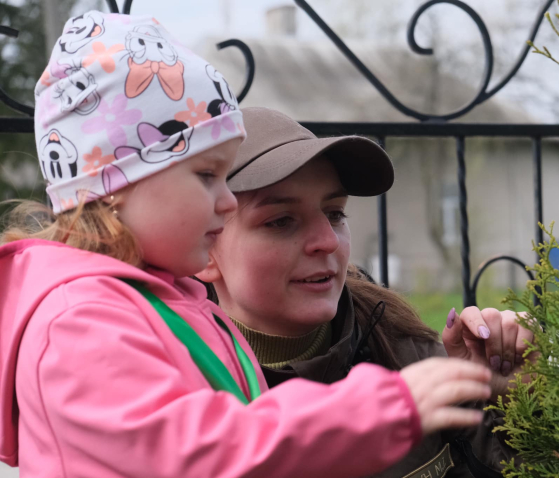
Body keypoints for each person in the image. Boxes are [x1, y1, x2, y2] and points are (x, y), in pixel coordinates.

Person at [0, 13, 497, 478]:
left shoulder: (161, 304)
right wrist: (387, 406)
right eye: (207, 175)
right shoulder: (80, 320)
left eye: (336, 213)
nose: (227, 202)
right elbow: (206, 451)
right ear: (115, 186)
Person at [197, 107, 537, 477]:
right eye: (281, 221)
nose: (327, 241)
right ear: (203, 252)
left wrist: (515, 409)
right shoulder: (171, 400)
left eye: (335, 213)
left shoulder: (409, 357)